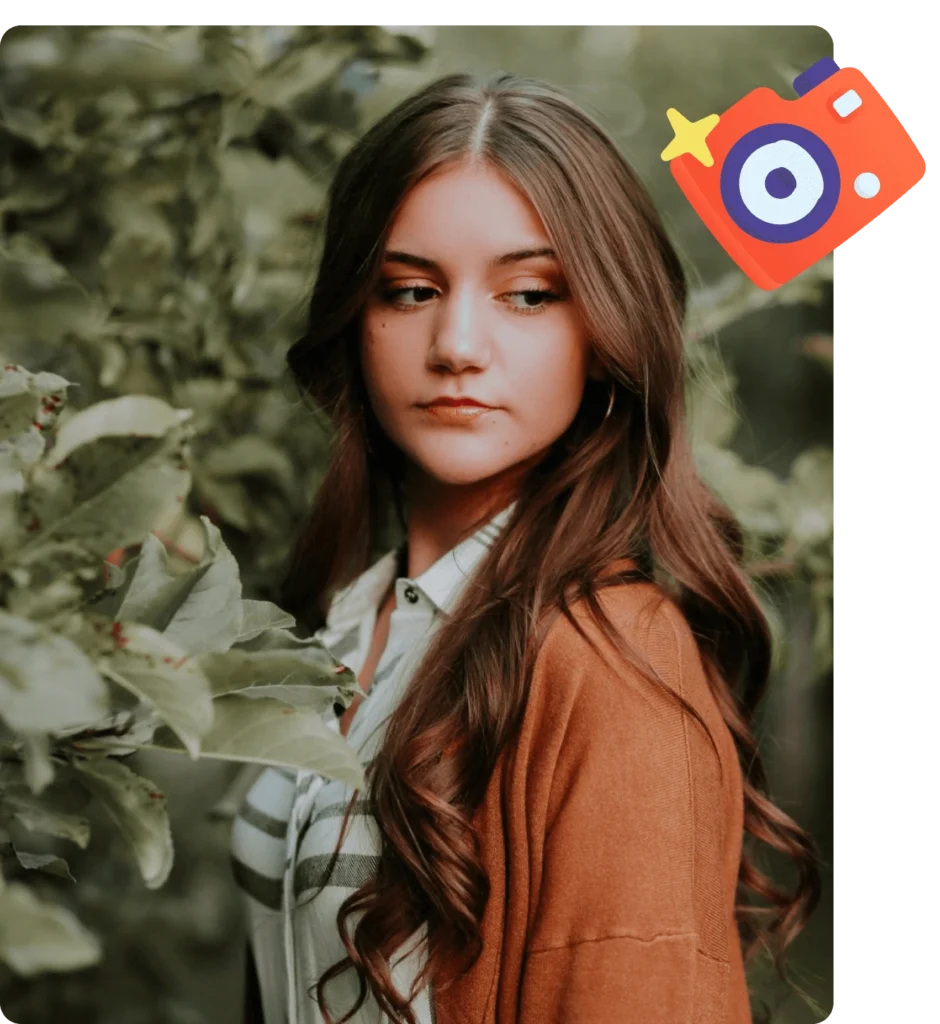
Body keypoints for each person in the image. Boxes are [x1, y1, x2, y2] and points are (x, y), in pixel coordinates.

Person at [230, 70, 821, 1024]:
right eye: (412, 289)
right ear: (356, 316)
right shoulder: (347, 626)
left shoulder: (613, 665)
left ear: (607, 331)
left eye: (530, 294)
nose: (457, 343)